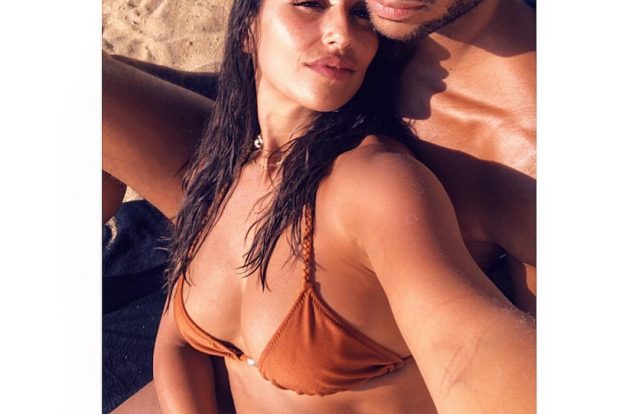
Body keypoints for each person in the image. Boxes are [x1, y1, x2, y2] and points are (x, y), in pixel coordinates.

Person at [102, 0, 536, 411]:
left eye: (358, 14)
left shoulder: (401, 177)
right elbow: (178, 339)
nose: (343, 34)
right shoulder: (228, 163)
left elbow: (466, 346)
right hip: (272, 157)